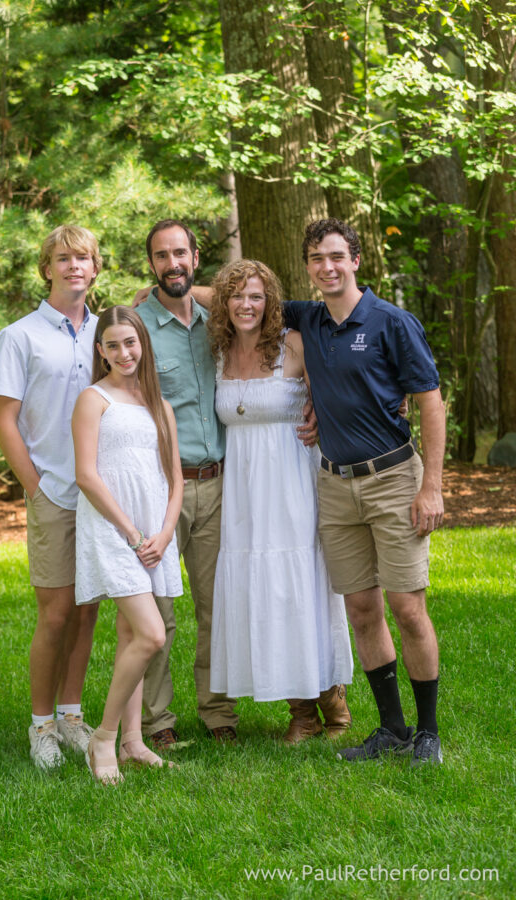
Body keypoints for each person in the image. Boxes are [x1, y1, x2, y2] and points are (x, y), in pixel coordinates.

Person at [284, 218, 446, 766]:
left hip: (393, 479)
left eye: (335, 256)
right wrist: (156, 289)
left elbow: (429, 401)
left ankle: (428, 733)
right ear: (307, 266)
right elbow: (244, 291)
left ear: (355, 260)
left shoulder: (390, 322)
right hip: (333, 483)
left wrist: (432, 488)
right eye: (315, 258)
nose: (326, 267)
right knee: (360, 609)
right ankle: (391, 730)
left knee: (406, 608)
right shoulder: (307, 316)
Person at [206, 260, 354, 736]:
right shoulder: (219, 351)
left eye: (256, 296)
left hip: (292, 482)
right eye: (236, 296)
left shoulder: (292, 345)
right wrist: (150, 293)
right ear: (223, 304)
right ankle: (301, 712)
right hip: (244, 493)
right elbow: (193, 294)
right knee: (262, 588)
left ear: (271, 302)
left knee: (301, 585)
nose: (246, 305)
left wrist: (320, 416)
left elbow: (334, 395)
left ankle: (333, 702)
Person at [0, 225, 102, 769]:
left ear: (96, 268)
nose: (73, 266)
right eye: (63, 258)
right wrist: (34, 486)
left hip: (102, 492)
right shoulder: (21, 335)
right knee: (56, 613)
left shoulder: (109, 332)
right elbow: (4, 419)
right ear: (47, 268)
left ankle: (72, 715)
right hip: (52, 489)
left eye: (83, 257)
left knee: (88, 612)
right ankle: (41, 726)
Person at [134, 220, 238, 748]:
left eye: (180, 253)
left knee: (216, 606)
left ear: (195, 258)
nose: (172, 263)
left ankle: (219, 712)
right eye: (161, 256)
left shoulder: (219, 321)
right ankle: (158, 721)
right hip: (157, 491)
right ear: (150, 264)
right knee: (158, 611)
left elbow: (249, 293)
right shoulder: (137, 329)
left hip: (217, 486)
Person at [72, 306, 183, 783]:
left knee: (131, 636)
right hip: (112, 528)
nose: (124, 353)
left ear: (143, 344)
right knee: (152, 634)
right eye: (113, 345)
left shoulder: (160, 405)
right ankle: (103, 736)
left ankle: (134, 742)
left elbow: (175, 479)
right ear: (100, 351)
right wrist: (133, 534)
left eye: (131, 342)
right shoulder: (93, 400)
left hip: (155, 532)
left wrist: (162, 533)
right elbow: (87, 476)